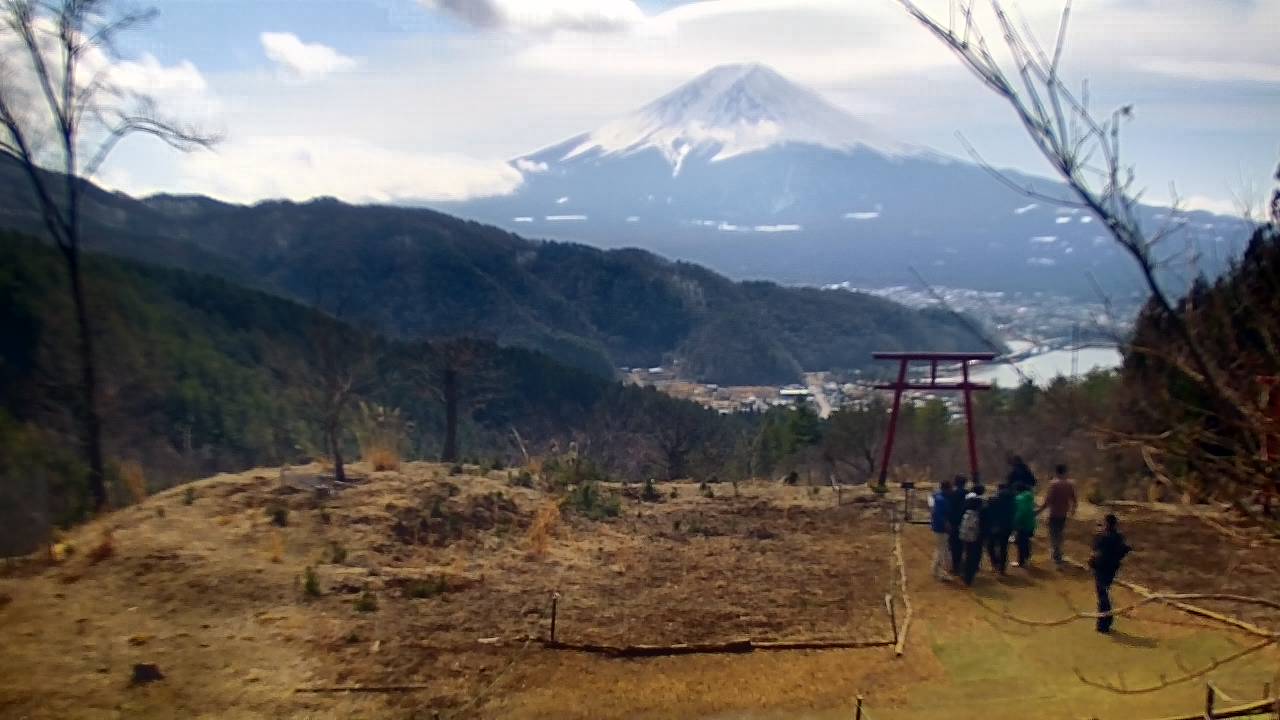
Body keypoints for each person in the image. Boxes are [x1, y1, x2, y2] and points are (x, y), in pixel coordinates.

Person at [1090, 514, 1132, 633]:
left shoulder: (1101, 537)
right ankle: (1105, 620)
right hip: (1112, 569)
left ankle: (1104, 622)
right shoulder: (1118, 537)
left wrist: (1092, 563)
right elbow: (1125, 549)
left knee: (1102, 596)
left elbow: (1095, 552)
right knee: (1104, 593)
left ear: (1106, 523)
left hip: (1101, 568)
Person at [1039, 464, 1078, 568]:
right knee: (1060, 533)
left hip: (1054, 512)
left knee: (1053, 534)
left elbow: (1048, 500)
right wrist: (1073, 510)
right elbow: (1074, 499)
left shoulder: (1053, 484)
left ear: (1056, 472)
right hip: (1063, 513)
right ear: (1065, 472)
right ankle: (1058, 553)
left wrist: (1039, 510)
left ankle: (1056, 555)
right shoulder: (1070, 484)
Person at [984, 482, 1015, 574]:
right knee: (1003, 547)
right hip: (1007, 526)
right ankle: (1002, 568)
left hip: (995, 526)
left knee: (990, 546)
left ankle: (995, 564)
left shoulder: (995, 499)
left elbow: (989, 512)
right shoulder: (1012, 500)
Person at [930, 479, 953, 581]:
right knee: (942, 550)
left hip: (937, 527)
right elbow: (938, 514)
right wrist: (946, 524)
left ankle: (935, 570)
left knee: (940, 549)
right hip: (941, 528)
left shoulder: (938, 496)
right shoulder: (941, 499)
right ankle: (941, 573)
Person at [960, 492, 984, 586]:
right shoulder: (974, 515)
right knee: (971, 558)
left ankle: (966, 575)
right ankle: (968, 578)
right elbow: (974, 527)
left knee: (967, 556)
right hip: (972, 538)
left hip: (966, 538)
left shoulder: (967, 513)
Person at [946, 475, 968, 576]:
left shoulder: (951, 493)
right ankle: (963, 564)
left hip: (954, 522)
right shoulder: (967, 494)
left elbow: (948, 507)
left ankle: (956, 566)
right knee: (963, 544)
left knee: (954, 544)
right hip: (965, 521)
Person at [1013, 482, 1036, 567]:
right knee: (1026, 542)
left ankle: (1021, 561)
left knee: (1020, 543)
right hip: (1030, 523)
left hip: (1022, 524)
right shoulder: (1030, 497)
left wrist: (1015, 522)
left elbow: (1020, 512)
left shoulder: (1019, 498)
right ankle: (1027, 559)